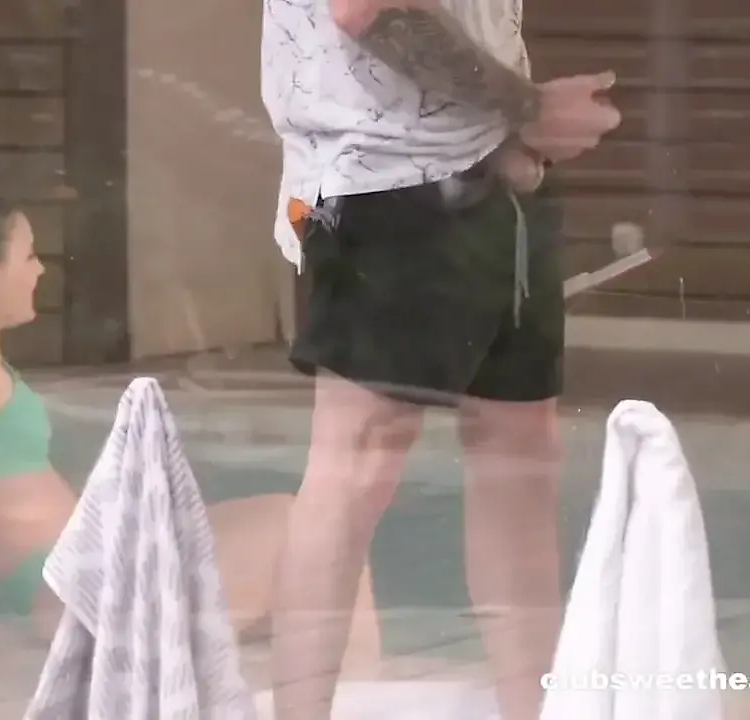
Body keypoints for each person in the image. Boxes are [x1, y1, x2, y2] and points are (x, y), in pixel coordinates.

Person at [261, 0, 622, 717]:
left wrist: (521, 124)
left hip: (500, 172)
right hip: (381, 180)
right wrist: (530, 106)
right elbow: (367, 9)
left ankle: (533, 710)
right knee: (360, 459)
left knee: (520, 454)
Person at [0, 192, 381, 660]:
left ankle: (345, 694)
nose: (40, 270)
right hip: (95, 599)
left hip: (98, 581)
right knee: (319, 528)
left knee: (299, 553)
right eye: (29, 256)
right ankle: (367, 695)